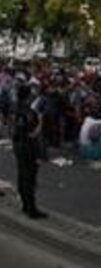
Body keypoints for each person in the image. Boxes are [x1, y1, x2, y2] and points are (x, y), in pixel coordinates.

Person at [12, 82, 46, 219]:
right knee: (29, 178)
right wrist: (41, 122)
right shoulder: (29, 112)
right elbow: (32, 133)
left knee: (21, 175)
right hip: (28, 147)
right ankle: (31, 209)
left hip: (17, 145)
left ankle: (25, 205)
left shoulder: (15, 108)